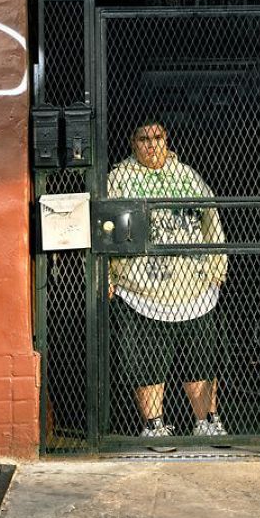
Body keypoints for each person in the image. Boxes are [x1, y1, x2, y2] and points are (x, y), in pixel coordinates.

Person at [107, 120, 227, 438]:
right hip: (141, 289)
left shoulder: (187, 175)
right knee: (147, 361)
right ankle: (154, 426)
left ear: (167, 139)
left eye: (157, 137)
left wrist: (217, 268)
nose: (151, 145)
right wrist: (107, 276)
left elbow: (211, 220)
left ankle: (207, 422)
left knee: (201, 359)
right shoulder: (119, 178)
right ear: (132, 143)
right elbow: (104, 228)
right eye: (143, 139)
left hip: (194, 286)